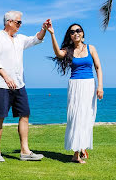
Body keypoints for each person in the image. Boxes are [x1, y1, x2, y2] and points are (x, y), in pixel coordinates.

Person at [0, 10, 47, 162]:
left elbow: (36, 39)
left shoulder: (19, 39)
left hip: (19, 84)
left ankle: (25, 151)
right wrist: (6, 77)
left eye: (21, 22)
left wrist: (44, 29)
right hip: (2, 84)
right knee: (0, 116)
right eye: (18, 22)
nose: (21, 25)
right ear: (9, 22)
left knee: (25, 115)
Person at [44, 19, 103, 164]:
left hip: (89, 85)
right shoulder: (68, 51)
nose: (75, 33)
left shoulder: (91, 48)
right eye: (72, 32)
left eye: (78, 31)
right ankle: (75, 154)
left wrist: (100, 86)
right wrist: (52, 34)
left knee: (87, 117)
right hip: (75, 86)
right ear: (70, 36)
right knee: (76, 117)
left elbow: (98, 67)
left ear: (82, 33)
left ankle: (82, 147)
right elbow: (58, 53)